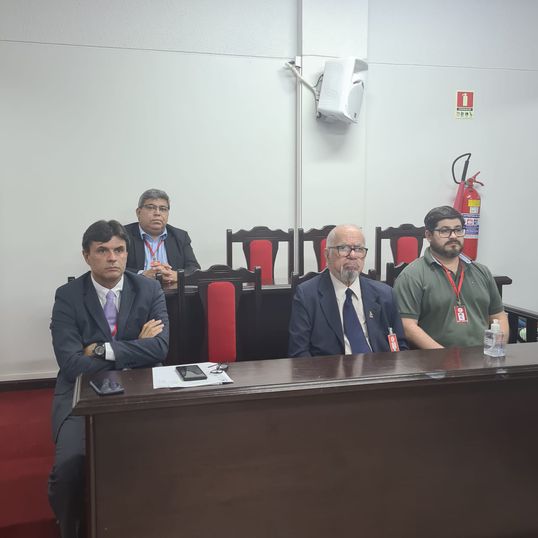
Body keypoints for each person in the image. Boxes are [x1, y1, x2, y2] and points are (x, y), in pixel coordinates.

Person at [49, 220, 169, 538]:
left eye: (119, 250)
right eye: (102, 251)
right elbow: (71, 364)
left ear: (128, 253)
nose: (112, 257)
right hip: (81, 393)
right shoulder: (68, 296)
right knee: (70, 466)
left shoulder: (149, 289)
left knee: (167, 452)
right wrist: (136, 346)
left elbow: (160, 347)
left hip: (139, 388)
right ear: (87, 256)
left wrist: (101, 349)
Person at [393, 205, 508, 348]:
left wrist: (496, 348)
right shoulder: (412, 276)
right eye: (445, 231)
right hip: (434, 359)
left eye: (458, 230)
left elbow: (499, 316)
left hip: (481, 356)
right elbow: (407, 326)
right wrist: (444, 356)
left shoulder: (481, 272)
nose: (453, 236)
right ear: (428, 235)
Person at [288, 224, 408, 357]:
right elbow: (299, 353)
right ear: (327, 255)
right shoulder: (307, 295)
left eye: (359, 249)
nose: (353, 255)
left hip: (379, 367)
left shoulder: (385, 294)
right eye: (343, 248)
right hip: (330, 369)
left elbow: (399, 346)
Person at [125, 188, 200, 284]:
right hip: (137, 291)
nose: (157, 213)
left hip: (172, 291)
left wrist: (177, 275)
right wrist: (142, 274)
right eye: (151, 208)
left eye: (163, 209)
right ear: (139, 212)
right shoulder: (123, 235)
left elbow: (194, 269)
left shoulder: (180, 236)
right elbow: (113, 268)